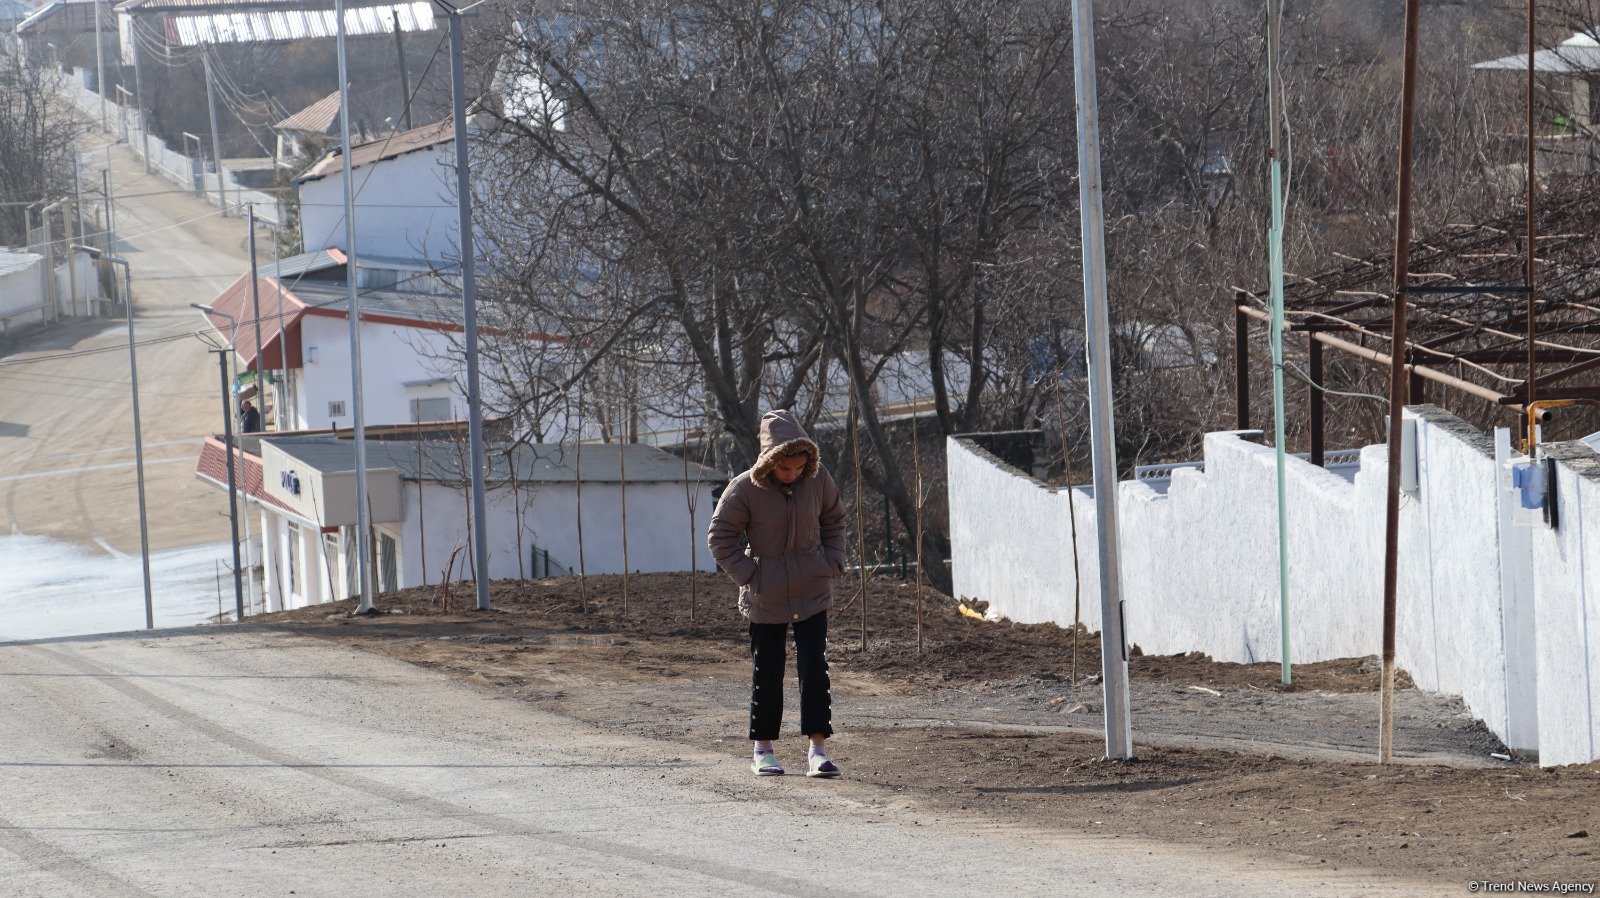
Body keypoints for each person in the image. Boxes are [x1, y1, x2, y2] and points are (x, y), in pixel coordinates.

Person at [708, 409, 847, 778]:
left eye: (800, 467)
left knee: (814, 669)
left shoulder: (818, 480)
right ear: (770, 461)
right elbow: (720, 538)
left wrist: (832, 561)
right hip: (765, 595)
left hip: (812, 589)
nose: (794, 474)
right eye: (786, 468)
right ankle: (763, 749)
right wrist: (752, 576)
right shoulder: (743, 488)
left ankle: (818, 750)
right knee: (767, 671)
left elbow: (834, 519)